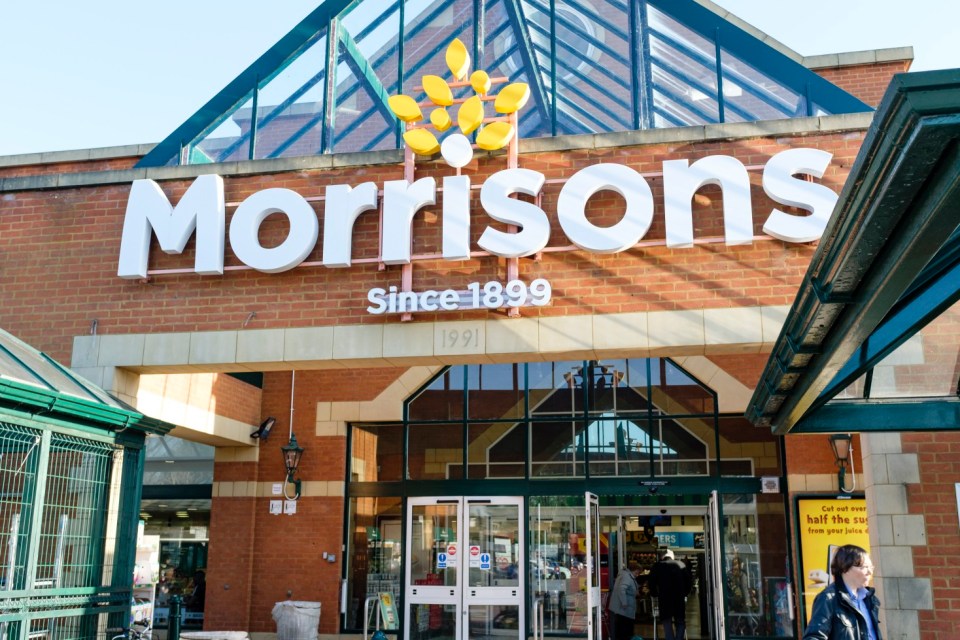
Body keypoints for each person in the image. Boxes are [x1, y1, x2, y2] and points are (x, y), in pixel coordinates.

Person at [802, 545, 881, 640]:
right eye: (864, 567)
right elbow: (814, 637)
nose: (870, 572)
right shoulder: (828, 599)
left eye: (871, 567)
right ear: (845, 568)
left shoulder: (868, 598)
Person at [648, 549, 692, 640]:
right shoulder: (681, 565)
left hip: (665, 598)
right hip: (679, 598)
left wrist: (654, 593)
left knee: (667, 621)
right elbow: (688, 582)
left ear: (662, 557)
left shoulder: (657, 566)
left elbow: (651, 582)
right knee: (680, 621)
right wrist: (685, 593)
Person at [608, 561, 642, 640]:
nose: (638, 574)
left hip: (624, 610)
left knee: (623, 628)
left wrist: (635, 591)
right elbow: (621, 589)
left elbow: (627, 588)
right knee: (624, 629)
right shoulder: (626, 576)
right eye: (637, 572)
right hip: (624, 609)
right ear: (634, 570)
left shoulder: (627, 575)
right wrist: (624, 602)